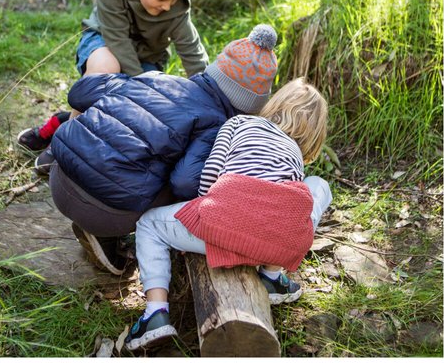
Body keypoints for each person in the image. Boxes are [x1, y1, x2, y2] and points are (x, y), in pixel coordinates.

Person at [49, 24, 279, 277]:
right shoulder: (214, 124)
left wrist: (123, 90)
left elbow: (79, 92)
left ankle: (103, 234)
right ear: (246, 105)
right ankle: (114, 235)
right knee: (182, 178)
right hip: (106, 213)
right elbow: (183, 183)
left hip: (59, 180)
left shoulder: (155, 77)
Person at [126, 78, 331, 351]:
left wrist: (195, 221)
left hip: (222, 225)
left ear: (276, 104)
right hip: (273, 246)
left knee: (149, 224)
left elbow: (211, 177)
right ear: (315, 130)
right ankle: (271, 278)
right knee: (312, 191)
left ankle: (155, 312)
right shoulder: (294, 153)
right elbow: (288, 207)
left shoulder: (238, 123)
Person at [16, 0, 209, 176]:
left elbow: (193, 53)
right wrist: (140, 88)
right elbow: (115, 35)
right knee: (107, 68)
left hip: (146, 60)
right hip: (104, 41)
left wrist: (209, 98)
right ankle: (63, 144)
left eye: (173, 0)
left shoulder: (175, 4)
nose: (168, 6)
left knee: (143, 120)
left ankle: (63, 123)